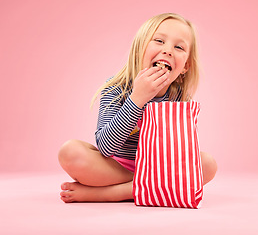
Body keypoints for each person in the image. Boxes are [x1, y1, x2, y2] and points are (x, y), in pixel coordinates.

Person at [58, 13, 217, 203]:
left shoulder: (181, 100)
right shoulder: (116, 89)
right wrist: (137, 99)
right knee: (70, 151)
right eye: (159, 41)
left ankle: (108, 194)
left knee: (208, 164)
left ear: (185, 66)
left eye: (179, 47)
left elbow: (178, 156)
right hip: (116, 168)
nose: (168, 51)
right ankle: (152, 187)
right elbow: (106, 148)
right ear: (139, 49)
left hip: (159, 168)